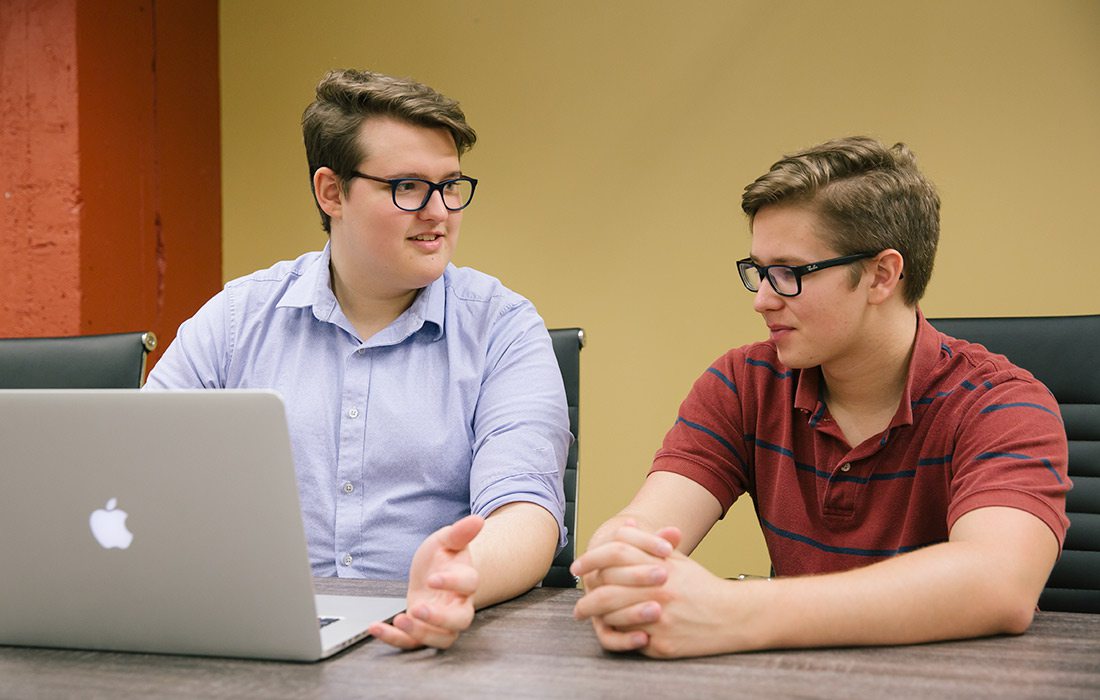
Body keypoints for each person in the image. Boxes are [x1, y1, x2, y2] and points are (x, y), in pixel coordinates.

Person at [571, 136, 1070, 658]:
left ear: (881, 276)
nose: (763, 300)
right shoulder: (744, 382)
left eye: (789, 273)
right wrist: (620, 564)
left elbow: (998, 584)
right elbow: (643, 530)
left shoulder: (1005, 406)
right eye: (758, 272)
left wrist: (734, 611)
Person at [146, 69, 571, 651]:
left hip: (428, 640)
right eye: (408, 187)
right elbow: (138, 473)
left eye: (450, 185)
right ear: (331, 192)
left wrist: (458, 580)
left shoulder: (502, 327)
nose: (439, 212)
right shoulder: (239, 317)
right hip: (253, 636)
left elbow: (526, 513)